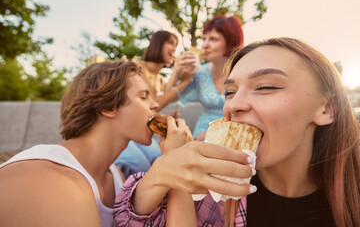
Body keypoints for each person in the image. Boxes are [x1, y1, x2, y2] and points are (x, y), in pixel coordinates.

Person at [113, 37, 360, 227]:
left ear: (327, 108)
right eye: (229, 92)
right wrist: (159, 175)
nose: (232, 105)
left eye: (265, 86)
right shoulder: (212, 194)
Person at [0, 60, 192, 226]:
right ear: (107, 107)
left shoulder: (115, 177)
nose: (156, 105)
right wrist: (175, 164)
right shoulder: (53, 180)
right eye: (143, 96)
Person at [115, 30, 195, 178]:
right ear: (157, 44)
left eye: (175, 45)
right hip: (125, 129)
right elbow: (157, 102)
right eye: (170, 43)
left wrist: (175, 72)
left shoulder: (159, 79)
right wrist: (184, 82)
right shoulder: (136, 68)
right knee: (139, 166)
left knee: (158, 158)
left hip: (141, 130)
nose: (174, 49)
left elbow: (158, 103)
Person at [167, 15, 244, 140]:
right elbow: (169, 97)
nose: (204, 45)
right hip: (200, 136)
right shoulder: (199, 72)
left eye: (213, 39)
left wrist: (211, 134)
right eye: (204, 39)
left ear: (231, 41)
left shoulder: (244, 72)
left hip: (234, 136)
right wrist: (176, 71)